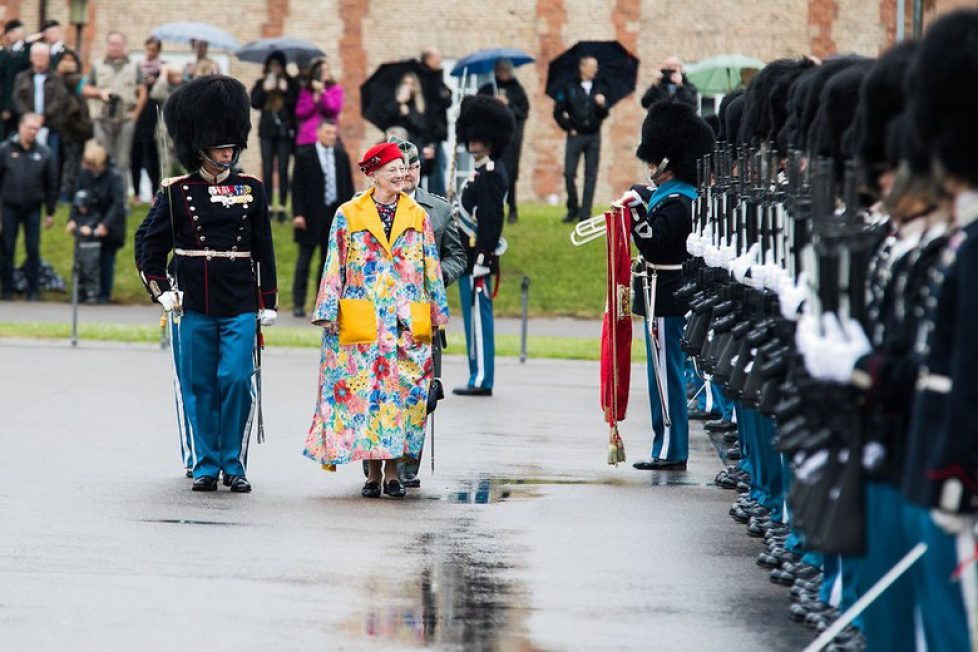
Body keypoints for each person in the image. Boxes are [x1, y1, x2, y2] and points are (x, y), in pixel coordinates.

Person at [138, 75, 278, 493]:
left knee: (235, 379)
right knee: (198, 384)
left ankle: (233, 462)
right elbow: (148, 243)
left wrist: (267, 300)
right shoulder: (177, 192)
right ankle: (204, 463)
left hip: (237, 299)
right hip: (192, 301)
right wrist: (161, 290)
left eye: (231, 145)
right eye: (220, 146)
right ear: (201, 148)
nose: (228, 151)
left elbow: (263, 249)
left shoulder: (251, 189)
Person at [303, 141, 449, 499]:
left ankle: (395, 472)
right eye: (393, 169)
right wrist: (327, 310)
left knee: (404, 397)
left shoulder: (417, 214)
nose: (401, 174)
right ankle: (371, 472)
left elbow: (431, 264)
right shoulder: (348, 214)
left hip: (405, 320)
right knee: (364, 396)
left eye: (403, 168)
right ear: (373, 174)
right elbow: (334, 262)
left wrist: (437, 315)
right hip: (363, 316)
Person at [625, 101, 714, 471]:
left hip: (666, 292)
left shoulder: (680, 201)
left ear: (668, 160)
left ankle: (671, 449)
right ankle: (666, 443)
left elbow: (652, 241)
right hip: (661, 291)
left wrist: (633, 211)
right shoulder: (672, 195)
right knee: (662, 375)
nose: (649, 168)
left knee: (666, 378)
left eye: (654, 161)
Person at [389, 135, 466, 486]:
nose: (407, 173)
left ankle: (408, 463)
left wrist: (433, 276)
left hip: (423, 311)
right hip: (383, 313)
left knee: (421, 392)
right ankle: (382, 457)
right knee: (383, 386)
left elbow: (458, 256)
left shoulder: (439, 209)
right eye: (400, 167)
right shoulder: (366, 207)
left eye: (413, 166)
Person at [452, 95, 514, 397]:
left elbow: (491, 219)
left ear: (488, 140)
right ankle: (476, 373)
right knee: (471, 319)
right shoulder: (480, 171)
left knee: (478, 321)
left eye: (477, 138)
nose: (472, 142)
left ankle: (481, 378)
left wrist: (484, 256)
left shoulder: (491, 173)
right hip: (469, 257)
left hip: (478, 258)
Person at [290, 119, 353, 317]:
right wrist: (298, 213)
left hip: (333, 215)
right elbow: (297, 187)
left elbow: (347, 186)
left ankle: (322, 302)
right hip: (309, 216)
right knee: (304, 260)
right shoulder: (304, 155)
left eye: (334, 133)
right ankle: (298, 303)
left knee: (328, 261)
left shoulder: (341, 156)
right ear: (318, 133)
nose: (331, 136)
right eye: (327, 133)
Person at [0, 113, 57, 300]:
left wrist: (50, 211)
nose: (33, 132)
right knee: (7, 247)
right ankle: (7, 289)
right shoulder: (5, 150)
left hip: (33, 207)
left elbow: (51, 184)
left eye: (36, 129)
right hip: (9, 206)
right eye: (30, 128)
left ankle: (33, 291)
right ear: (20, 127)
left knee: (33, 248)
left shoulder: (44, 152)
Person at [84, 31, 148, 196]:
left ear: (124, 46)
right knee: (101, 158)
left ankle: (121, 199)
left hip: (125, 119)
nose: (115, 47)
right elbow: (85, 89)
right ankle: (100, 197)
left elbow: (142, 92)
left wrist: (135, 115)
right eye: (112, 43)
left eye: (118, 44)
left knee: (122, 161)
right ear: (107, 45)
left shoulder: (134, 66)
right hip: (102, 118)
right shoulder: (98, 65)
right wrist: (100, 93)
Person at [66, 142, 126, 303]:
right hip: (89, 222)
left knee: (107, 260)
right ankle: (86, 292)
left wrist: (105, 225)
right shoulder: (85, 174)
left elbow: (118, 204)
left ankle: (104, 295)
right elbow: (77, 198)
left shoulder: (114, 176)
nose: (89, 168)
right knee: (88, 260)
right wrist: (72, 219)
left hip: (110, 225)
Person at [553, 55, 609, 223]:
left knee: (590, 175)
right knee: (569, 173)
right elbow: (558, 112)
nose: (595, 70)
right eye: (593, 66)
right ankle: (572, 208)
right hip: (575, 136)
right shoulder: (569, 87)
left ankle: (585, 214)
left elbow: (604, 114)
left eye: (596, 66)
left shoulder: (600, 87)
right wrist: (569, 128)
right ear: (583, 67)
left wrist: (602, 105)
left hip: (593, 136)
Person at [478, 59, 529, 223]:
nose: (503, 74)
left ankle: (512, 207)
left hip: (511, 140)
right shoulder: (488, 89)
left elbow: (523, 112)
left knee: (510, 173)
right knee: (490, 172)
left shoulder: (517, 89)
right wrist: (494, 103)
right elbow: (479, 108)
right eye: (500, 71)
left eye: (506, 71)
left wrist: (508, 105)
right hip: (491, 139)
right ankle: (489, 206)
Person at [251, 50, 298, 223]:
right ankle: (269, 205)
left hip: (284, 132)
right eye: (272, 65)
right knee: (268, 168)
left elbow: (295, 105)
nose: (275, 68)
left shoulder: (290, 83)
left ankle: (283, 207)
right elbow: (254, 102)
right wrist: (265, 89)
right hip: (266, 131)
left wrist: (285, 91)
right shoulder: (262, 82)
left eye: (278, 65)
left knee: (284, 168)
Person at [12, 41, 67, 156]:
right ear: (31, 58)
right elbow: (17, 98)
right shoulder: (22, 77)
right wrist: (29, 117)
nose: (40, 59)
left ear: (48, 58)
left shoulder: (56, 78)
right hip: (27, 126)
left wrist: (44, 116)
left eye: (44, 56)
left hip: (50, 126)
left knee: (50, 158)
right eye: (37, 55)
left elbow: (60, 99)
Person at [55, 50, 93, 204]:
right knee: (69, 164)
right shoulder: (60, 82)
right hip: (68, 128)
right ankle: (66, 194)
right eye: (66, 59)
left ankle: (69, 193)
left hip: (76, 129)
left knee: (73, 163)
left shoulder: (76, 80)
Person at [131, 36, 164, 203]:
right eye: (148, 49)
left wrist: (155, 80)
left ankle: (154, 193)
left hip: (153, 113)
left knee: (152, 155)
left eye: (154, 50)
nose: (151, 53)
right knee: (135, 153)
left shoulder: (163, 67)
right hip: (138, 113)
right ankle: (136, 193)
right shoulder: (137, 66)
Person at [417, 48, 452, 196]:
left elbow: (446, 100)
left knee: (438, 172)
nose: (440, 62)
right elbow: (437, 102)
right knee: (423, 173)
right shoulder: (425, 79)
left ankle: (437, 208)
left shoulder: (437, 78)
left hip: (435, 135)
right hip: (425, 135)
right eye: (437, 59)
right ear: (429, 59)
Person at [294, 57, 343, 148]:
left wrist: (323, 93)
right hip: (308, 137)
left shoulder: (335, 89)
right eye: (321, 70)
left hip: (328, 135)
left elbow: (334, 109)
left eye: (327, 70)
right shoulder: (306, 91)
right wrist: (314, 99)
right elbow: (300, 113)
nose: (325, 73)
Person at [380, 71, 427, 153]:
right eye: (405, 83)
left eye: (411, 84)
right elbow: (384, 118)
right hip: (395, 144)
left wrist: (407, 115)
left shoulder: (418, 105)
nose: (408, 87)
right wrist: (398, 101)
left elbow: (420, 127)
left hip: (412, 146)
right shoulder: (394, 102)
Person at [0, 20, 31, 137]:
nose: (10, 36)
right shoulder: (5, 53)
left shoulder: (29, 50)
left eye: (13, 32)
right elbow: (5, 81)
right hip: (7, 102)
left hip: (25, 100)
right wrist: (5, 106)